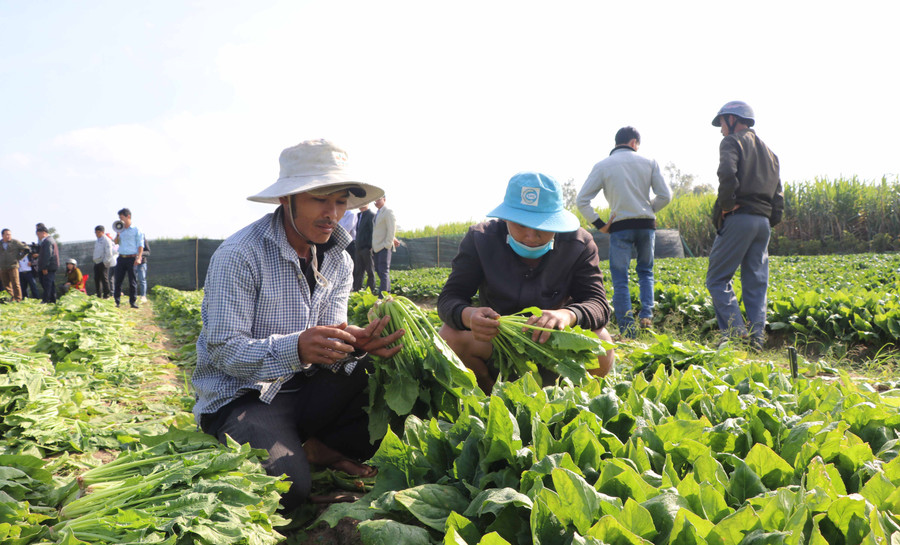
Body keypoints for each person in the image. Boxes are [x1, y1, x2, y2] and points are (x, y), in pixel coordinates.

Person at [192, 139, 405, 512]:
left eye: (340, 202)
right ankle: (298, 449)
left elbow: (330, 331)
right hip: (245, 397)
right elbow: (224, 350)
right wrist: (296, 348)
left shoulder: (339, 259)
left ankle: (318, 448)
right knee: (287, 490)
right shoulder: (239, 255)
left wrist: (353, 342)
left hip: (305, 388)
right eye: (319, 199)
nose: (332, 213)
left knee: (392, 383)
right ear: (285, 199)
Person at [438, 172, 616, 392]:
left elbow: (598, 303)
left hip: (555, 347)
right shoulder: (480, 239)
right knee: (449, 337)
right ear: (506, 218)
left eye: (542, 225)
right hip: (496, 343)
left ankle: (568, 398)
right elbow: (450, 297)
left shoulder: (579, 243)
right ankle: (489, 396)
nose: (531, 236)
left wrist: (567, 315)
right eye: (520, 225)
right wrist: (468, 315)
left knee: (602, 342)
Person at [576, 126, 672, 337]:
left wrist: (600, 224)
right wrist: (648, 209)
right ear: (634, 143)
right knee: (646, 271)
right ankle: (646, 316)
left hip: (620, 227)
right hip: (646, 225)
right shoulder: (649, 162)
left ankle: (628, 331)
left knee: (620, 278)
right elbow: (666, 195)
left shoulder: (603, 165)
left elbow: (582, 200)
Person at [707, 101, 783, 351]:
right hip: (763, 222)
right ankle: (756, 340)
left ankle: (736, 333)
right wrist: (769, 220)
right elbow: (778, 195)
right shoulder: (771, 153)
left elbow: (727, 173)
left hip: (740, 217)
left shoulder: (732, 142)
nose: (721, 129)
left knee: (717, 279)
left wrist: (727, 205)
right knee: (756, 283)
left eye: (721, 123)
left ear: (732, 119)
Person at [113, 208, 144, 309]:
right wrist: (118, 233)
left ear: (128, 217)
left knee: (132, 281)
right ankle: (117, 302)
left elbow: (140, 245)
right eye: (119, 218)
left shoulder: (136, 230)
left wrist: (139, 257)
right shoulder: (120, 229)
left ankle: (133, 302)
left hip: (132, 258)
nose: (120, 220)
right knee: (118, 280)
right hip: (121, 257)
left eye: (122, 217)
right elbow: (116, 242)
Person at [371, 196, 398, 296]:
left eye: (379, 199)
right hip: (376, 247)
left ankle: (382, 296)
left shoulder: (388, 212)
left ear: (384, 199)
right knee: (379, 270)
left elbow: (391, 229)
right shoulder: (377, 213)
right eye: (375, 200)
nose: (376, 202)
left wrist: (387, 244)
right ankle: (387, 292)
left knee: (383, 271)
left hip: (384, 246)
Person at [0, 229, 30, 302]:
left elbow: (26, 249)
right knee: (6, 284)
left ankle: (18, 299)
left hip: (13, 266)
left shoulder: (15, 242)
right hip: (2, 267)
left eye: (9, 234)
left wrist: (19, 258)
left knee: (16, 283)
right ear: (2, 235)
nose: (8, 236)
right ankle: (9, 299)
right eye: (7, 234)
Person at [353, 204, 376, 292]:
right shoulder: (359, 215)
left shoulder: (371, 215)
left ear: (368, 203)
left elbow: (372, 231)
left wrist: (370, 246)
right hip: (358, 247)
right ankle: (357, 289)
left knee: (370, 270)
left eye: (364, 203)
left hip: (366, 247)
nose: (361, 205)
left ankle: (371, 290)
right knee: (359, 270)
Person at [35, 223, 59, 304]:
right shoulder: (49, 240)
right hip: (50, 266)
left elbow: (47, 255)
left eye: (38, 234)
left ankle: (46, 300)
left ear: (44, 233)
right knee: (50, 284)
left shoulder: (47, 241)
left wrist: (45, 267)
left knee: (47, 284)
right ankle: (52, 299)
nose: (38, 236)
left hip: (49, 267)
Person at [93, 225, 117, 298]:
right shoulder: (97, 240)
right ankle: (99, 295)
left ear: (102, 232)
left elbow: (109, 253)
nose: (97, 234)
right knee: (97, 279)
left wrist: (105, 262)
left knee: (104, 278)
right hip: (97, 262)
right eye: (96, 232)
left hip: (103, 262)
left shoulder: (106, 240)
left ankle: (106, 295)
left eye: (98, 232)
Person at [136, 238, 150, 303]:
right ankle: (134, 296)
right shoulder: (131, 239)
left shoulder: (143, 239)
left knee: (142, 279)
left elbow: (148, 252)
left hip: (142, 263)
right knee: (133, 280)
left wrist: (140, 253)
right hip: (132, 263)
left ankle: (143, 296)